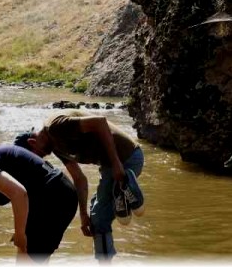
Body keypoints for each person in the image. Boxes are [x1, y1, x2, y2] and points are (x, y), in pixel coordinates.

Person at [15, 111, 144, 261]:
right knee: (94, 212)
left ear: (32, 142)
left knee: (99, 218)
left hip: (125, 159)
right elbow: (79, 178)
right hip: (110, 165)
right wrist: (83, 214)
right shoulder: (55, 146)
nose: (41, 159)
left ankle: (127, 187)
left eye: (35, 156)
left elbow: (100, 122)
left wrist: (116, 163)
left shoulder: (55, 127)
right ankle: (124, 190)